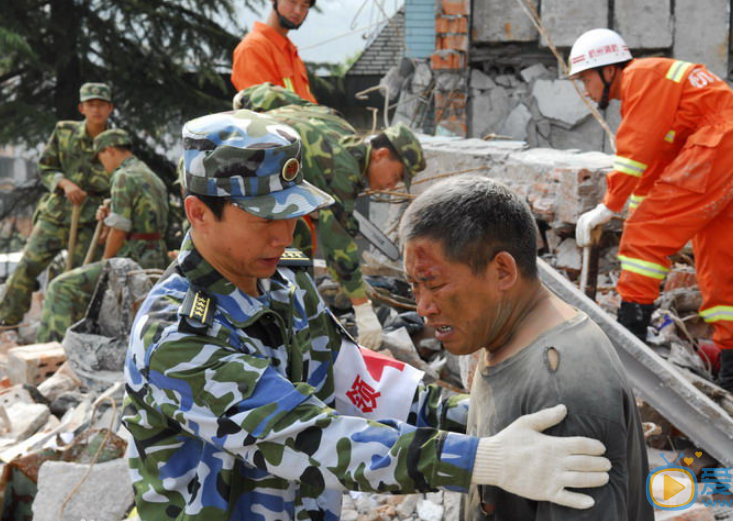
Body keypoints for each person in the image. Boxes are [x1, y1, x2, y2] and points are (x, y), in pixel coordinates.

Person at [123, 110, 612, 521]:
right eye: (264, 220)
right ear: (198, 213)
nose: (284, 236)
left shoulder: (284, 283)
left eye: (292, 215)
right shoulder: (178, 335)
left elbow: (361, 382)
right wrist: (481, 458)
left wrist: (483, 416)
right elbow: (306, 436)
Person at [399, 176, 652, 521]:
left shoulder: (562, 385)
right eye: (414, 286)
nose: (423, 307)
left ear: (502, 271)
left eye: (435, 284)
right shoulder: (501, 336)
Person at [570, 28, 733, 399]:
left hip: (717, 148)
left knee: (643, 239)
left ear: (609, 70)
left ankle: (630, 349)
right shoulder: (662, 83)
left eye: (585, 79)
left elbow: (635, 151)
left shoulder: (642, 77)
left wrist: (608, 207)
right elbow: (656, 167)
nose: (585, 90)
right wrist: (631, 208)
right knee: (721, 263)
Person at [235, 82, 423, 350]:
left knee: (296, 230)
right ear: (381, 154)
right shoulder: (344, 170)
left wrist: (245, 101)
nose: (391, 185)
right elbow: (338, 249)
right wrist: (363, 308)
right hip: (239, 187)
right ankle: (281, 325)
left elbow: (276, 95)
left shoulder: (337, 123)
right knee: (294, 251)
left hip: (237, 168)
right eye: (395, 176)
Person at [37, 129, 169, 343]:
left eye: (100, 158)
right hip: (155, 254)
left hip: (133, 259)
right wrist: (107, 221)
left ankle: (51, 351)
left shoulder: (122, 176)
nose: (102, 165)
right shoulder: (150, 175)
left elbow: (120, 230)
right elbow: (137, 220)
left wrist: (106, 262)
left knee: (60, 287)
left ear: (108, 150)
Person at [0, 82, 115, 327]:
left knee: (83, 276)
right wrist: (64, 183)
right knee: (28, 264)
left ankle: (77, 326)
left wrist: (109, 218)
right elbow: (45, 167)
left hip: (92, 220)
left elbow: (120, 180)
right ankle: (6, 321)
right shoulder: (64, 132)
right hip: (58, 212)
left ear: (110, 108)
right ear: (81, 108)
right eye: (91, 104)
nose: (96, 110)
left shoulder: (115, 141)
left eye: (101, 105)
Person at [231, 0, 316, 102]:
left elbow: (307, 104)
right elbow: (262, 107)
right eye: (292, 2)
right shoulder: (252, 48)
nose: (298, 11)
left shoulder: (290, 52)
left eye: (304, 5)